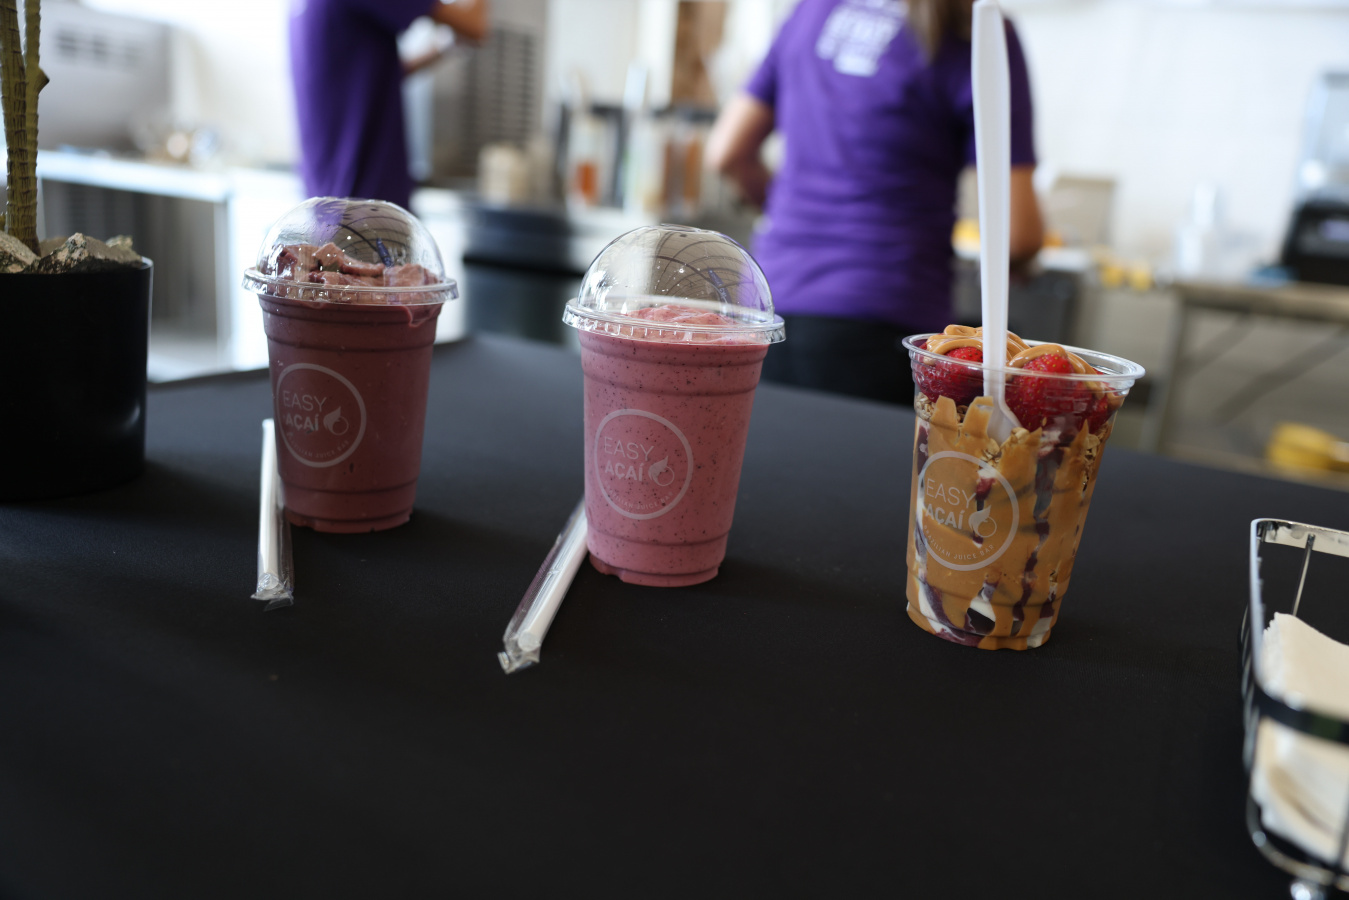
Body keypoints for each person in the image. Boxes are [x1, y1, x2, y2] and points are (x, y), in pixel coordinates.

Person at [706, 0, 1043, 404]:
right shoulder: (975, 29)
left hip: (769, 306)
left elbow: (726, 152)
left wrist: (794, 216)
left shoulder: (813, 9)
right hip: (887, 318)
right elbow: (1019, 236)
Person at [289, 0, 489, 211]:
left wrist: (442, 46)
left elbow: (374, 76)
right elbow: (474, 25)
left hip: (328, 193)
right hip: (367, 201)